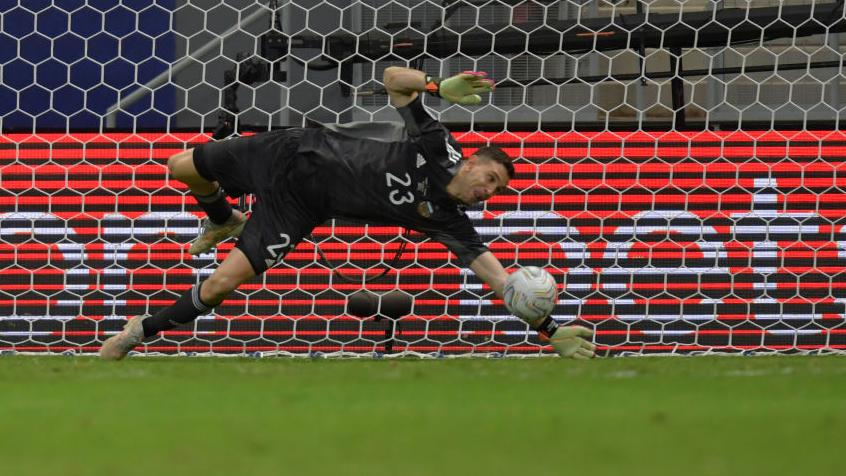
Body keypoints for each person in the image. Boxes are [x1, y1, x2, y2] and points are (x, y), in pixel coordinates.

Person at [100, 67, 595, 360]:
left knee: (221, 285)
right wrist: (439, 87)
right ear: (470, 163)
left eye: (498, 190)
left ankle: (138, 332)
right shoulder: (436, 144)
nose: (489, 190)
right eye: (489, 178)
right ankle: (224, 216)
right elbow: (393, 82)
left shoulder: (447, 219)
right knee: (179, 166)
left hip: (300, 207)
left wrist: (550, 331)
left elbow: (501, 279)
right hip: (292, 151)